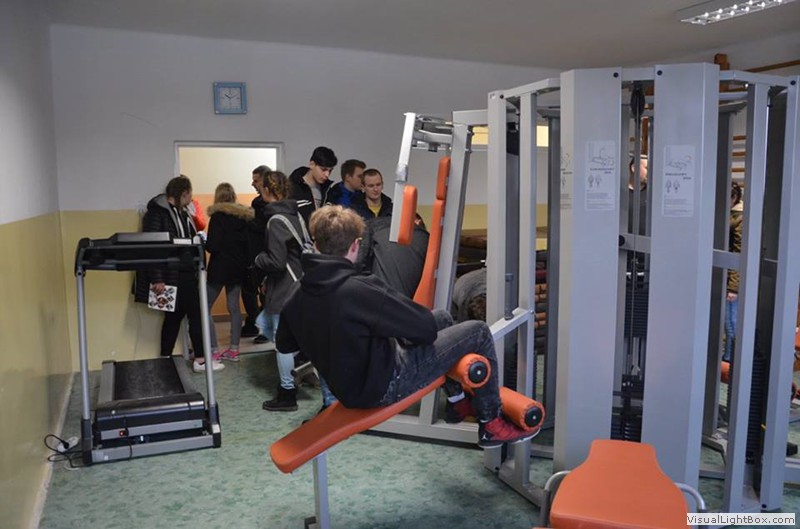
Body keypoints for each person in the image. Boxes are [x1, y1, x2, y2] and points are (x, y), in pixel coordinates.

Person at [276, 205, 537, 447]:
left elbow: (285, 344)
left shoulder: (297, 292)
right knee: (477, 331)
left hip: (347, 388)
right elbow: (424, 329)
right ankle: (491, 423)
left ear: (317, 244)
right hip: (383, 386)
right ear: (355, 245)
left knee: (443, 317)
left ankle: (457, 401)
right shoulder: (360, 288)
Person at [133, 175, 223, 372]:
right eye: (190, 195)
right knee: (186, 317)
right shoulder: (157, 214)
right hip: (171, 275)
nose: (191, 199)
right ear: (184, 193)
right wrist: (157, 278)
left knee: (181, 317)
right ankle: (194, 359)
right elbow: (152, 248)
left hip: (185, 273)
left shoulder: (182, 213)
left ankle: (174, 358)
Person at [254, 171, 309, 411]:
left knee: (282, 343)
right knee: (265, 324)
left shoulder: (275, 220)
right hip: (300, 285)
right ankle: (300, 369)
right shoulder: (295, 215)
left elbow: (276, 262)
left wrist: (258, 259)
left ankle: (287, 393)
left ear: (267, 190)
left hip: (285, 288)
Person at [205, 182, 254, 362]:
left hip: (219, 268)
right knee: (234, 309)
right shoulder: (243, 217)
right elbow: (248, 246)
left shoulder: (217, 217)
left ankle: (213, 349)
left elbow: (212, 246)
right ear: (233, 196)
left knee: (205, 307)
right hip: (237, 268)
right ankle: (234, 350)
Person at [356, 215, 428, 298]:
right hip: (401, 299)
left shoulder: (375, 231)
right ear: (418, 222)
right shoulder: (427, 241)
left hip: (381, 297)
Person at [244, 164, 271, 342]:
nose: (253, 184)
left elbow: (264, 228)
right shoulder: (257, 202)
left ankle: (266, 331)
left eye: (256, 180)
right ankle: (258, 326)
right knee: (257, 291)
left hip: (268, 255)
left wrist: (247, 220)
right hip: (256, 256)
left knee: (267, 293)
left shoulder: (268, 206)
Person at [288, 146, 338, 226]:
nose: (327, 174)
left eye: (330, 170)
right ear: (312, 164)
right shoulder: (292, 188)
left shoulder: (328, 191)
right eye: (323, 169)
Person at [724, 181, 744, 362]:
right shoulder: (727, 214)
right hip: (723, 275)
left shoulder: (739, 218)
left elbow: (739, 253)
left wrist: (733, 287)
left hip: (731, 279)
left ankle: (731, 360)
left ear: (734, 198)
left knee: (731, 323)